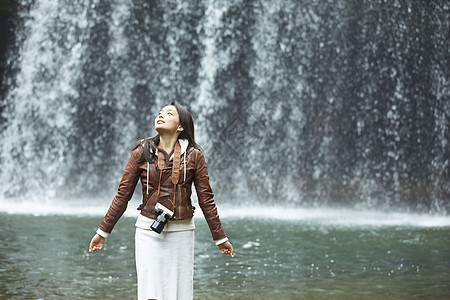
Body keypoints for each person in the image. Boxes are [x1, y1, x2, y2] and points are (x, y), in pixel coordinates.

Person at [89, 101, 234, 300]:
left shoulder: (194, 156)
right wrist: (103, 231)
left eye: (169, 113)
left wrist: (220, 237)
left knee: (179, 293)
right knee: (151, 293)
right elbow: (123, 195)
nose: (161, 115)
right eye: (160, 112)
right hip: (147, 231)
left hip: (182, 231)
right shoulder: (141, 152)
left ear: (181, 126)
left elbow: (206, 199)